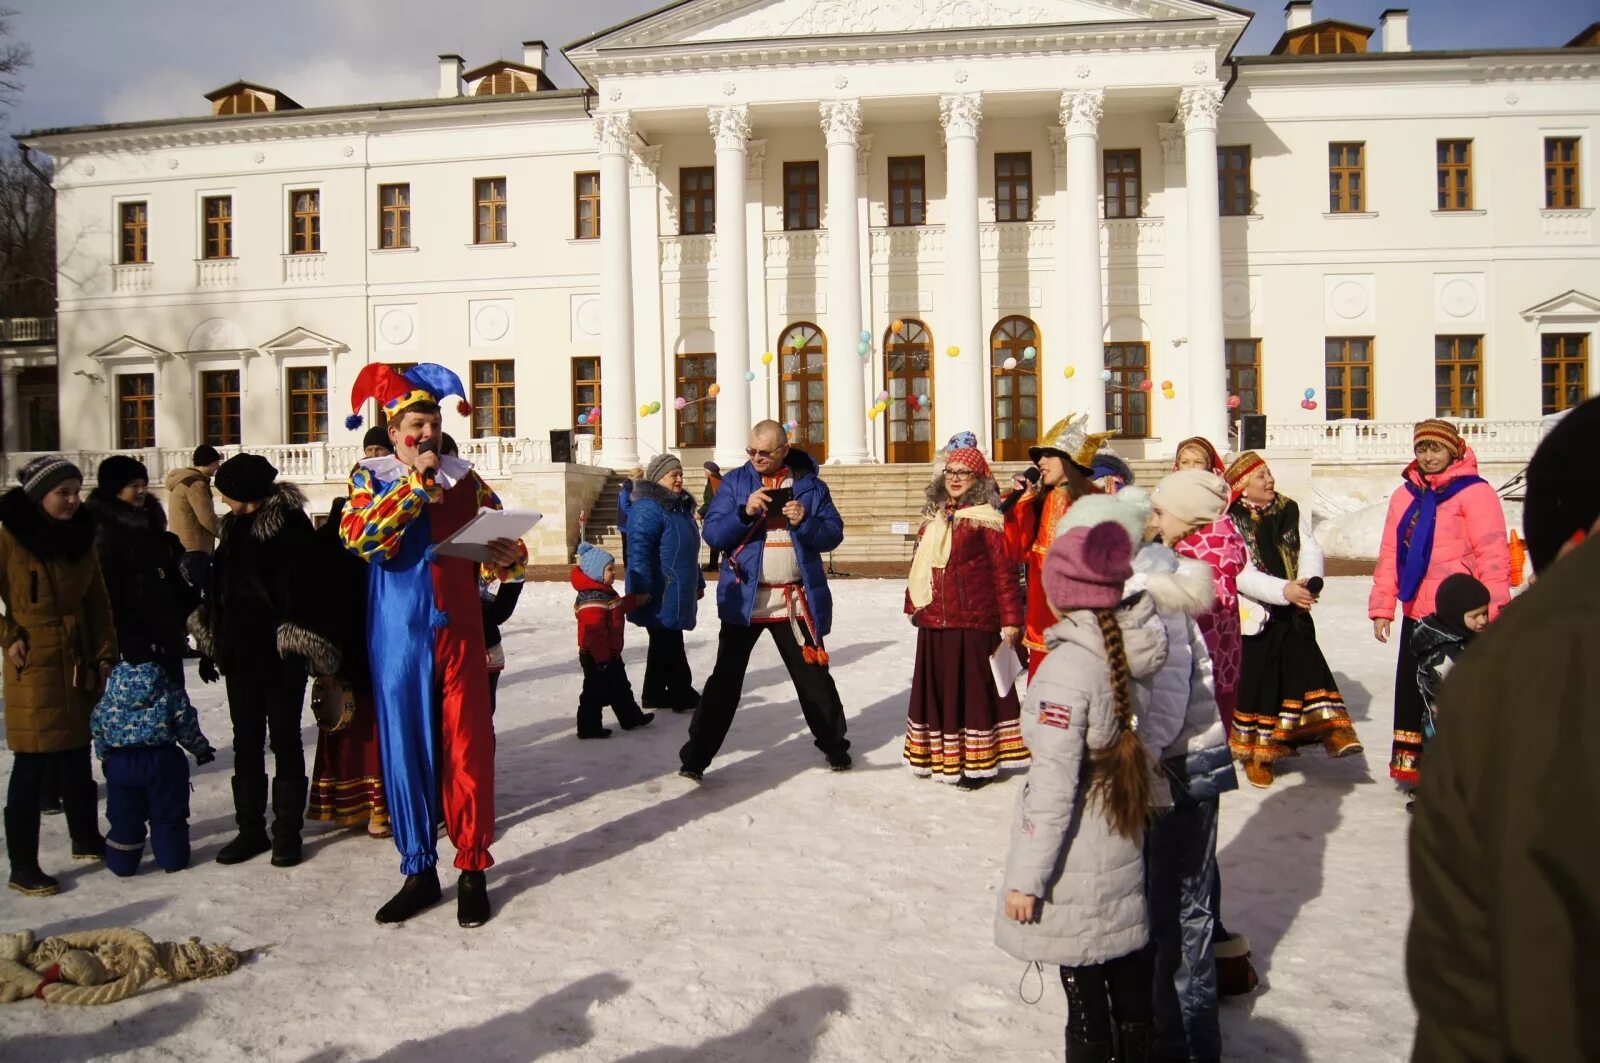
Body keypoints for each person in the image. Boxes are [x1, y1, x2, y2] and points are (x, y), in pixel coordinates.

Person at [1407, 395, 1600, 1061]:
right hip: (1429, 611)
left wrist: (1496, 612)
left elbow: (1468, 963)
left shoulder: (1527, 665)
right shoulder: (1413, 494)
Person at [338, 362, 526, 928]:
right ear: (394, 432)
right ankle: (419, 870)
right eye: (416, 424)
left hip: (460, 631)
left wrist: (506, 557)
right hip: (400, 635)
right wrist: (415, 489)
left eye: (434, 423)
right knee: (407, 750)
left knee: (469, 748)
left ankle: (472, 868)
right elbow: (360, 538)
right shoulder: (369, 478)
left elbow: (504, 541)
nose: (427, 434)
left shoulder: (464, 478)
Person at [995, 521, 1165, 1063]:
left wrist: (1026, 881)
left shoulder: (1068, 669)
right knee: (1127, 961)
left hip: (1075, 854)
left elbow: (1053, 787)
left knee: (1085, 976)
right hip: (1120, 828)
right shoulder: (1128, 649)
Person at [680, 420, 850, 781]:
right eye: (751, 451)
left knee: (813, 678)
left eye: (765, 452)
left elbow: (833, 534)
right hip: (745, 598)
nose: (756, 457)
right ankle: (696, 757)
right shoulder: (735, 483)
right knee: (725, 681)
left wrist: (805, 521)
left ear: (784, 450)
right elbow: (712, 533)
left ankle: (835, 746)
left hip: (792, 600)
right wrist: (744, 513)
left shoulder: (811, 486)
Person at [191, 453, 336, 869]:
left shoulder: (290, 530)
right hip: (238, 653)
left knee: (286, 739)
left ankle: (286, 832)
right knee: (246, 741)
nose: (220, 496)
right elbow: (219, 588)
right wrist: (210, 639)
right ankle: (250, 828)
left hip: (279, 656)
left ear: (245, 491)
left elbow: (309, 592)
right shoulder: (233, 528)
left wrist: (297, 643)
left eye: (226, 489)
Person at [1369, 419, 1509, 787]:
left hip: (1461, 614)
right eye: (1421, 449)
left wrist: (1494, 612)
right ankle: (1421, 773)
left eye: (1436, 449)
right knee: (1418, 691)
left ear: (1454, 451)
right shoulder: (1406, 496)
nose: (1428, 457)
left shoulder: (1475, 493)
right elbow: (1390, 554)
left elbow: (1493, 553)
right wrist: (1383, 606)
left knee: (1452, 697)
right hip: (1418, 611)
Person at [1, 457, 116, 895]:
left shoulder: (81, 537)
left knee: (76, 753)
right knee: (32, 762)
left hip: (77, 657)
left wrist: (105, 652)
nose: (72, 500)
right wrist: (8, 634)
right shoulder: (10, 538)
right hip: (31, 660)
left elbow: (98, 603)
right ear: (37, 497)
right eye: (62, 493)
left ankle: (86, 838)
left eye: (75, 491)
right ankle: (23, 866)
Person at [1225, 452, 1362, 788]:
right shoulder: (1229, 519)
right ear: (1242, 488)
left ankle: (1332, 729)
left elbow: (1309, 549)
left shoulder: (1290, 508)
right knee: (1261, 684)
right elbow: (1240, 571)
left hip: (1293, 604)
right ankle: (1257, 755)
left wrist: (1308, 583)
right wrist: (1283, 590)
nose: (1269, 480)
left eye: (1269, 474)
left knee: (1303, 667)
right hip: (1256, 610)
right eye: (1261, 477)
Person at [903, 434, 1027, 789]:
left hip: (973, 621)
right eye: (950, 472)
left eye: (964, 474)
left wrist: (1010, 620)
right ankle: (942, 759)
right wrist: (914, 605)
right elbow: (920, 566)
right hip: (935, 620)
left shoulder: (986, 520)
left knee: (972, 695)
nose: (955, 479)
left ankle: (978, 763)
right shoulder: (934, 519)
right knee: (941, 692)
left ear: (979, 480)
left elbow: (1004, 575)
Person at [1003, 411, 1113, 678]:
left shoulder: (1098, 502)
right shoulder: (1040, 500)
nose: (1040, 461)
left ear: (1070, 460)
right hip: (1042, 616)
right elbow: (1016, 551)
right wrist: (1021, 506)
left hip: (1082, 618)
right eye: (1039, 456)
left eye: (1049, 455)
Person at [306, 497, 390, 839]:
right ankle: (374, 807)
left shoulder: (378, 534)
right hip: (358, 649)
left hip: (354, 648)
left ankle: (354, 805)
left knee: (351, 726)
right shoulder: (345, 541)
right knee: (358, 726)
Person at [91, 660, 215, 875]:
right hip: (162, 761)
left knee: (124, 816)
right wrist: (200, 749)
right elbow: (184, 721)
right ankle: (172, 859)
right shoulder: (168, 689)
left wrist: (105, 757)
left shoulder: (111, 694)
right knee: (167, 813)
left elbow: (98, 725)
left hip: (121, 763)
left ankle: (122, 864)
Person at [1154, 468, 1248, 734]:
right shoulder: (1217, 552)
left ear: (1189, 515)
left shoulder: (1194, 567)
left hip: (1190, 702)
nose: (1155, 522)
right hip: (1217, 691)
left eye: (1161, 513)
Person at [86, 455, 195, 683]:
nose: (141, 491)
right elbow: (107, 590)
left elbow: (171, 581)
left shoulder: (151, 527)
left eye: (143, 485)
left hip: (165, 633)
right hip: (132, 636)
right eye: (133, 485)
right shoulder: (103, 533)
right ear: (114, 489)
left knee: (172, 703)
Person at [626, 454, 705, 713]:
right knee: (668, 638)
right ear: (659, 478)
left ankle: (654, 693)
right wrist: (640, 587)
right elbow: (638, 550)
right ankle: (682, 692)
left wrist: (699, 579)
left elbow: (689, 549)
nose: (680, 479)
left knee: (664, 637)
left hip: (677, 584)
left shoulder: (678, 507)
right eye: (674, 474)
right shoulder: (648, 507)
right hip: (660, 588)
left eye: (681, 474)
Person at [572, 542, 654, 738]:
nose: (614, 573)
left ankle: (631, 717)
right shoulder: (592, 600)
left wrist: (634, 600)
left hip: (610, 653)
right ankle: (589, 727)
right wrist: (602, 659)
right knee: (594, 692)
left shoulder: (605, 593)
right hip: (596, 656)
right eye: (609, 569)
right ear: (595, 573)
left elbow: (616, 608)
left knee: (620, 687)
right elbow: (593, 634)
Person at [1411, 573, 1490, 763]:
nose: (1483, 620)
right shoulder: (1443, 652)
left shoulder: (1468, 638)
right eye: (1475, 616)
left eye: (1485, 613)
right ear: (1455, 616)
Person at [164, 445, 222, 591]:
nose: (218, 467)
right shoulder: (195, 483)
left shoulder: (184, 480)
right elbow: (206, 517)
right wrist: (225, 534)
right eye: (216, 463)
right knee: (201, 595)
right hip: (195, 547)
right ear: (211, 462)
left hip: (183, 545)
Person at [700, 461, 724, 571]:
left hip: (715, 516)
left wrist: (700, 512)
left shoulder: (711, 484)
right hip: (722, 515)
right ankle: (714, 564)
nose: (704, 472)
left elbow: (709, 502)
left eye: (705, 470)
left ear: (709, 472)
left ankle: (713, 565)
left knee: (714, 540)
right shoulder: (720, 480)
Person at [616, 468, 641, 566]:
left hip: (630, 522)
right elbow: (625, 506)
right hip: (626, 523)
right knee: (627, 547)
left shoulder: (633, 487)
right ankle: (628, 568)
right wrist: (636, 515)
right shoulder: (627, 489)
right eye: (639, 477)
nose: (641, 479)